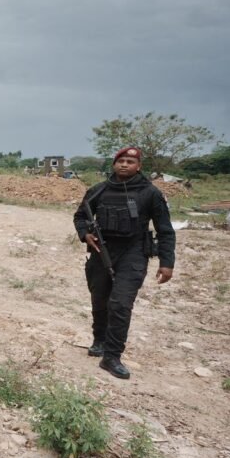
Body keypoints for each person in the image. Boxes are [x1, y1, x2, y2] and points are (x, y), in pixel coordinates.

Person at [73, 146, 175, 380]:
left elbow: (166, 230)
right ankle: (99, 340)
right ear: (114, 164)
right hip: (102, 251)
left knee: (120, 304)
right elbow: (80, 217)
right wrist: (85, 234)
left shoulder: (151, 193)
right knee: (99, 300)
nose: (125, 165)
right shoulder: (98, 191)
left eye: (130, 161)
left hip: (134, 253)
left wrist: (167, 262)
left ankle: (112, 356)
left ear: (138, 166)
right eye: (121, 161)